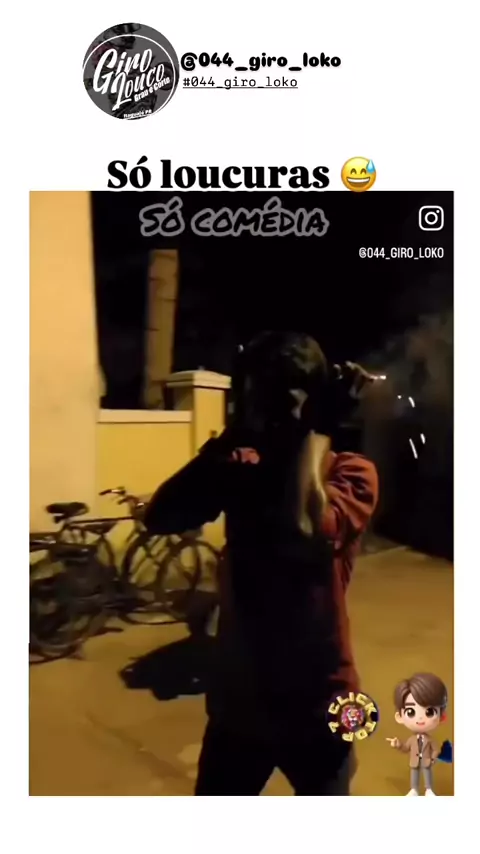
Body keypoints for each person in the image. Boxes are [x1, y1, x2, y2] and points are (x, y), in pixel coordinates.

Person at [143, 331, 379, 795]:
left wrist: (315, 431)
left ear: (314, 403)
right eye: (258, 401)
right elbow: (160, 516)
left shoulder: (350, 473)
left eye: (282, 402)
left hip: (320, 705)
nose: (269, 418)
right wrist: (234, 434)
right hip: (241, 706)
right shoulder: (241, 467)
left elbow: (304, 526)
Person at [386, 672, 448, 796]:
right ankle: (414, 789)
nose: (420, 718)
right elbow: (406, 748)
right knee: (414, 774)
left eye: (429, 712)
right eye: (411, 712)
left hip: (426, 761)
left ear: (441, 717)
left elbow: (436, 749)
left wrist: (432, 758)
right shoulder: (412, 740)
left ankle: (429, 789)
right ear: (399, 717)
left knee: (427, 774)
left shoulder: (429, 740)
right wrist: (398, 745)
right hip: (414, 760)